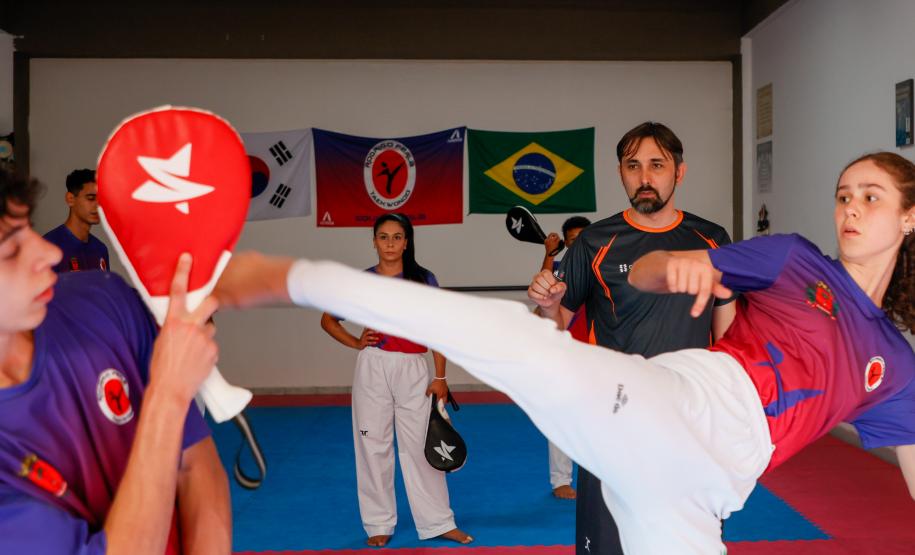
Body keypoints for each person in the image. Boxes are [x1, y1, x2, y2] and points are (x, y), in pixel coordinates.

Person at [211, 152, 915, 554]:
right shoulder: (792, 259)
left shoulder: (895, 362)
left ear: (908, 216)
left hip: (701, 493)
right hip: (677, 403)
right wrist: (677, 265)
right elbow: (636, 271)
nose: (849, 208)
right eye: (842, 194)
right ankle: (285, 276)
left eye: (871, 196)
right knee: (514, 342)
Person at [0, 169, 231, 554]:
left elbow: (196, 464)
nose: (50, 253)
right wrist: (168, 395)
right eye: (11, 250)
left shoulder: (104, 299)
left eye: (29, 231)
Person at [537, 122, 735, 555]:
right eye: (633, 166)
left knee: (686, 543)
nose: (645, 178)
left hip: (688, 420)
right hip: (613, 420)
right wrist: (549, 307)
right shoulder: (594, 242)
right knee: (609, 543)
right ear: (621, 173)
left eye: (657, 165)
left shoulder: (711, 240)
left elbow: (729, 340)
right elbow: (550, 330)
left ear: (679, 173)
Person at [318, 213, 471, 547]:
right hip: (374, 367)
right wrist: (357, 343)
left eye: (397, 237)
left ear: (407, 241)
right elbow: (328, 319)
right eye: (383, 237)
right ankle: (378, 522)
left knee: (422, 446)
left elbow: (438, 330)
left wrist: (441, 376)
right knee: (373, 444)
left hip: (414, 368)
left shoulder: (423, 279)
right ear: (374, 241)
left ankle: (438, 522)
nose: (390, 243)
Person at [540, 215, 591, 500]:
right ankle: (561, 480)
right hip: (564, 354)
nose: (579, 245)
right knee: (560, 416)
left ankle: (604, 475)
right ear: (566, 245)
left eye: (584, 238)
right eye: (573, 241)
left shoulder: (604, 268)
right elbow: (543, 300)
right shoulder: (559, 271)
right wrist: (548, 254)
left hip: (598, 352)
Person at [43, 168, 110, 273]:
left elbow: (105, 289)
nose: (98, 205)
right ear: (70, 199)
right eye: (91, 198)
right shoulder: (49, 246)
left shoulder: (100, 249)